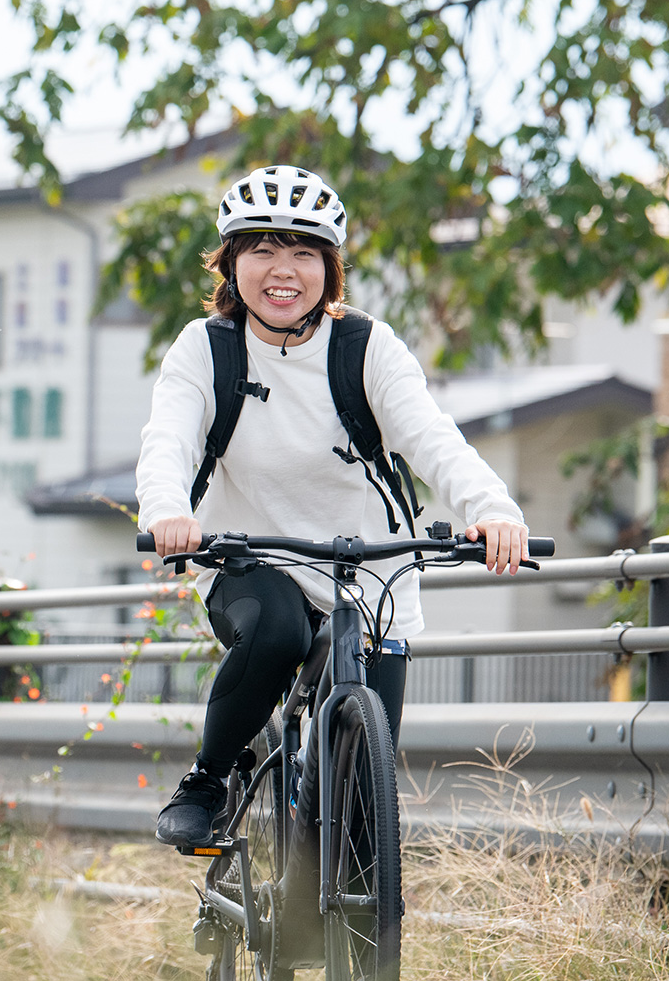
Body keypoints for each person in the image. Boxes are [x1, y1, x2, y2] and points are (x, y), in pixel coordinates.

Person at [134, 164, 530, 847]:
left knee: (366, 823)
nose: (283, 271)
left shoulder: (364, 347)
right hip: (251, 559)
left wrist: (494, 510)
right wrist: (167, 510)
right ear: (231, 262)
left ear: (329, 267)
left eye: (304, 252)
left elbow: (432, 438)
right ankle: (209, 778)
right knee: (278, 632)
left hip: (370, 570)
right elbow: (168, 439)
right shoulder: (207, 348)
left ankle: (350, 894)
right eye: (263, 249)